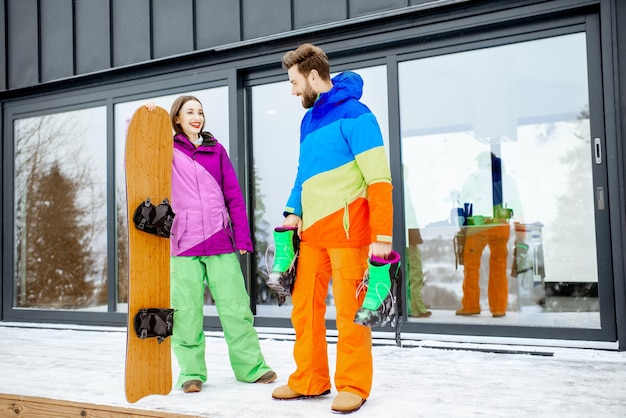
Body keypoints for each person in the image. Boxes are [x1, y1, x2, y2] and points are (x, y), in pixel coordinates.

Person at [271, 43, 393, 414]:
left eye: (294, 82)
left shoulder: (358, 116)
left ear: (312, 76)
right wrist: (293, 211)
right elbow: (303, 174)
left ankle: (354, 384)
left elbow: (380, 182)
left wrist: (382, 240)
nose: (292, 91)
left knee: (350, 312)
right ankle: (310, 379)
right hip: (311, 236)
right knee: (303, 308)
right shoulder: (308, 121)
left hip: (348, 234)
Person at [145, 96, 276, 393]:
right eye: (189, 112)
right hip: (183, 243)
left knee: (236, 307)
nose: (197, 117)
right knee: (186, 311)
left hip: (220, 239)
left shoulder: (216, 150)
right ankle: (191, 373)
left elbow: (234, 196)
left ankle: (252, 368)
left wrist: (242, 237)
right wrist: (145, 119)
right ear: (176, 118)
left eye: (200, 112)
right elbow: (136, 159)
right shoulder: (166, 150)